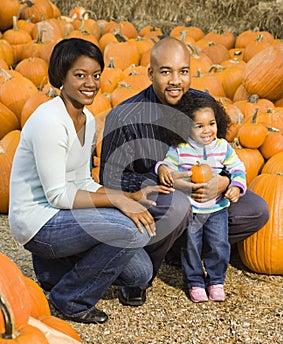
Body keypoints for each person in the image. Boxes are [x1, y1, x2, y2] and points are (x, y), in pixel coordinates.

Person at [8, 38, 173, 324]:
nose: (91, 83)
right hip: (39, 222)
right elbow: (57, 196)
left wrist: (129, 197)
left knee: (140, 273)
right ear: (61, 76)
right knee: (133, 232)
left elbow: (83, 179)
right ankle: (71, 298)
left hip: (65, 217)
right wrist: (118, 200)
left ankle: (53, 270)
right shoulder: (50, 121)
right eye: (80, 75)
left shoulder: (88, 120)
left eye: (96, 75)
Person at [99, 37, 269, 304]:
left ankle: (182, 249)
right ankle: (139, 276)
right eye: (166, 72)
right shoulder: (125, 117)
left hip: (205, 200)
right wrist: (164, 181)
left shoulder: (203, 104)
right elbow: (111, 179)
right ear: (151, 73)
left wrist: (223, 183)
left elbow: (223, 154)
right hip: (161, 201)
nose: (176, 80)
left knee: (256, 210)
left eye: (183, 71)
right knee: (177, 205)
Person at [156, 95, 247, 302]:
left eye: (212, 124)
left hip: (217, 208)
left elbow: (238, 169)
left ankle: (216, 280)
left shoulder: (223, 147)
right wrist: (162, 169)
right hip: (193, 209)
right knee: (191, 245)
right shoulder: (181, 149)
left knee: (219, 244)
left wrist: (235, 186)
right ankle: (195, 282)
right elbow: (166, 165)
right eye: (199, 126)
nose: (207, 130)